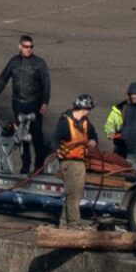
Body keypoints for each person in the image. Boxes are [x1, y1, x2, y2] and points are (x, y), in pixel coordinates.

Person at [0, 34, 50, 173]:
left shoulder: (39, 63)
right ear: (19, 46)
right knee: (21, 136)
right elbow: (3, 79)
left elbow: (46, 84)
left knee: (37, 135)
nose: (28, 49)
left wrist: (44, 103)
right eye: (25, 46)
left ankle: (39, 166)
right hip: (19, 104)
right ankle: (25, 165)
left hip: (34, 104)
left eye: (31, 47)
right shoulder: (13, 62)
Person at [54, 94, 98, 229]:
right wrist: (58, 151)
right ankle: (73, 224)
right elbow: (56, 139)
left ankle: (64, 223)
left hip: (78, 161)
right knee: (74, 195)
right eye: (88, 109)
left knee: (71, 194)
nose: (89, 112)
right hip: (71, 162)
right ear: (84, 108)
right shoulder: (65, 121)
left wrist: (93, 141)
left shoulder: (85, 122)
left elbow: (93, 135)